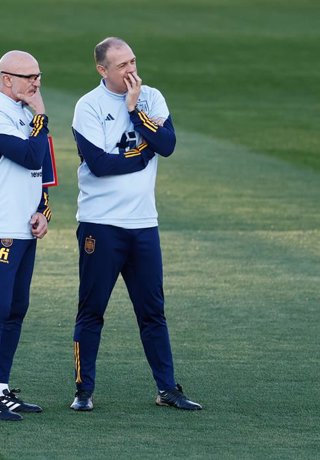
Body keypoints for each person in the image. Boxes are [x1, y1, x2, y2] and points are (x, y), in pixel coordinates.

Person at [69, 37, 201, 411]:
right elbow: (100, 164)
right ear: (102, 69)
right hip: (100, 224)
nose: (131, 70)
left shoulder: (151, 98)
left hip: (143, 223)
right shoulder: (88, 106)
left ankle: (167, 389)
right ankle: (83, 391)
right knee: (92, 309)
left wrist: (134, 112)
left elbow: (169, 144)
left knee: (152, 311)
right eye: (122, 65)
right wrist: (142, 154)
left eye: (133, 61)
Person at [0, 50, 52, 421]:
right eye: (29, 76)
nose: (36, 83)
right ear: (7, 79)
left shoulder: (23, 113)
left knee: (17, 308)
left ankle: (1, 388)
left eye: (38, 76)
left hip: (24, 226)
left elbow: (42, 174)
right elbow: (30, 156)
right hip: (2, 225)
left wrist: (43, 211)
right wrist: (42, 117)